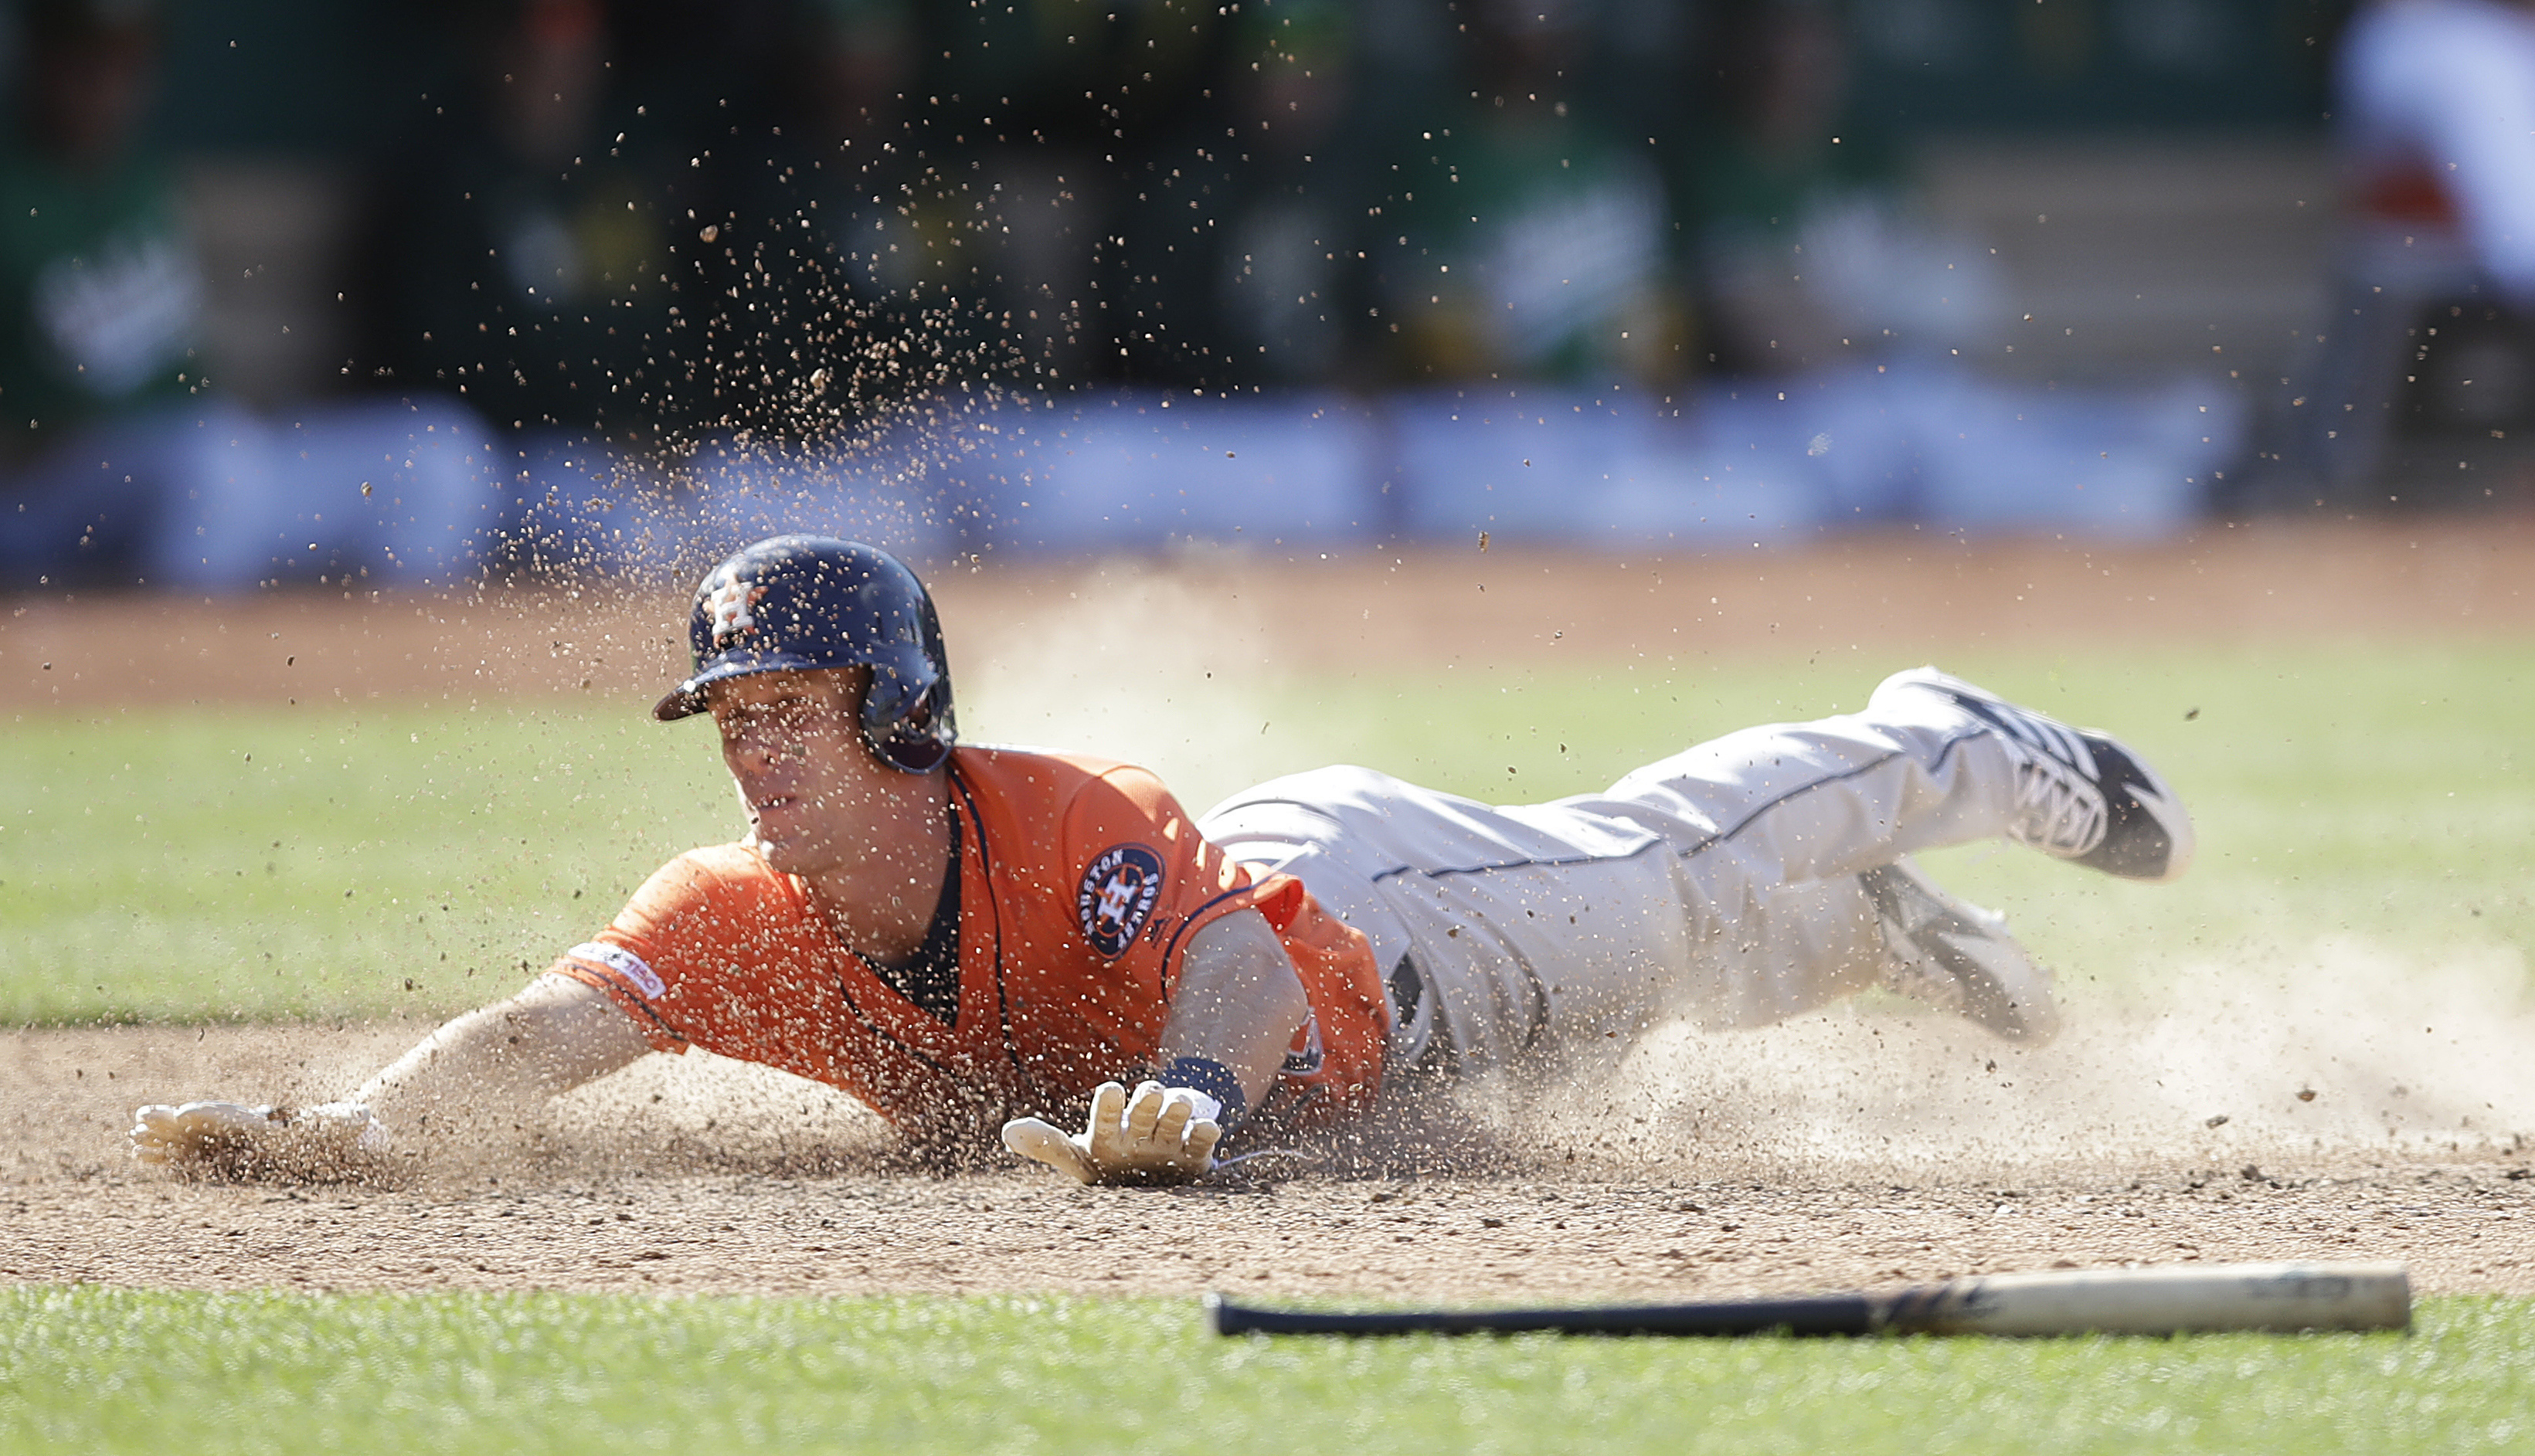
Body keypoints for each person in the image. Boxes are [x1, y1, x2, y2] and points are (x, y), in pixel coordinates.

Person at [131, 534, 2194, 1186]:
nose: (754, 755)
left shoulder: (1063, 817)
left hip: (1371, 931)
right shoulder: (732, 923)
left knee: (1655, 874)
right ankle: (1875, 939)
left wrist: (1192, 1099)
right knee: (1702, 970)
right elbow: (545, 1032)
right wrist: (351, 1135)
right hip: (1400, 1083)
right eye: (732, 720)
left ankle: (1937, 746)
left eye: (790, 711)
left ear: (904, 717)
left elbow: (1230, 978)